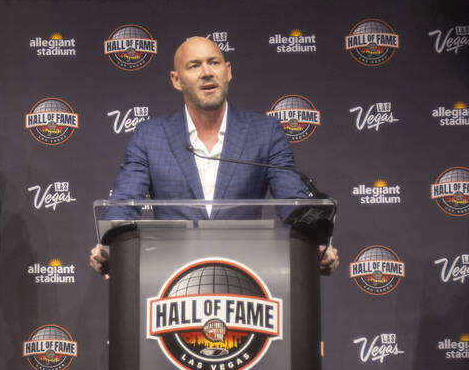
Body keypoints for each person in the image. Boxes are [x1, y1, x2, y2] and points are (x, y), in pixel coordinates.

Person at [88, 36, 338, 276]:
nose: (206, 72)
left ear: (228, 71)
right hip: (171, 278)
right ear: (176, 80)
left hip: (248, 275)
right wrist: (110, 245)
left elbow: (292, 203)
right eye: (194, 65)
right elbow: (123, 204)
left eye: (214, 62)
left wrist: (314, 245)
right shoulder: (150, 136)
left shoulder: (265, 132)